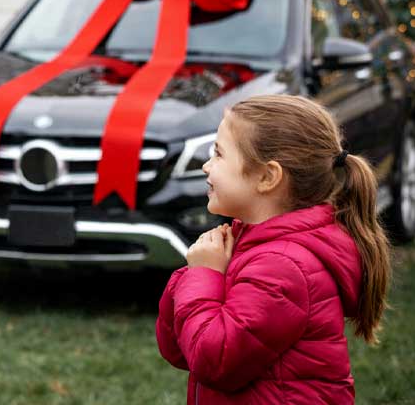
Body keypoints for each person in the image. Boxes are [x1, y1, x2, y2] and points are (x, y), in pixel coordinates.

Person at [156, 95, 391, 404]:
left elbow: (214, 361)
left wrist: (202, 274)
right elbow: (181, 349)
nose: (206, 166)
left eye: (218, 154)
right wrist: (199, 276)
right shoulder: (252, 246)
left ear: (267, 177)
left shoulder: (284, 267)